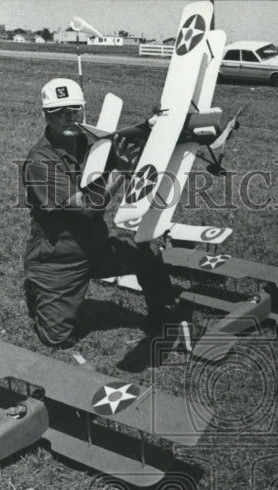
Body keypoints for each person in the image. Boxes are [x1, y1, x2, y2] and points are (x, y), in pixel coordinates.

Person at [19, 78, 181, 348]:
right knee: (57, 340)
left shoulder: (89, 140)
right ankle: (41, 290)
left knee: (146, 252)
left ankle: (162, 315)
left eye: (75, 111)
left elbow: (126, 137)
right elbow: (87, 209)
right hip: (58, 258)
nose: (70, 118)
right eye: (61, 112)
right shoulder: (39, 162)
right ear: (46, 114)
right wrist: (119, 171)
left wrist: (155, 125)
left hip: (96, 247)